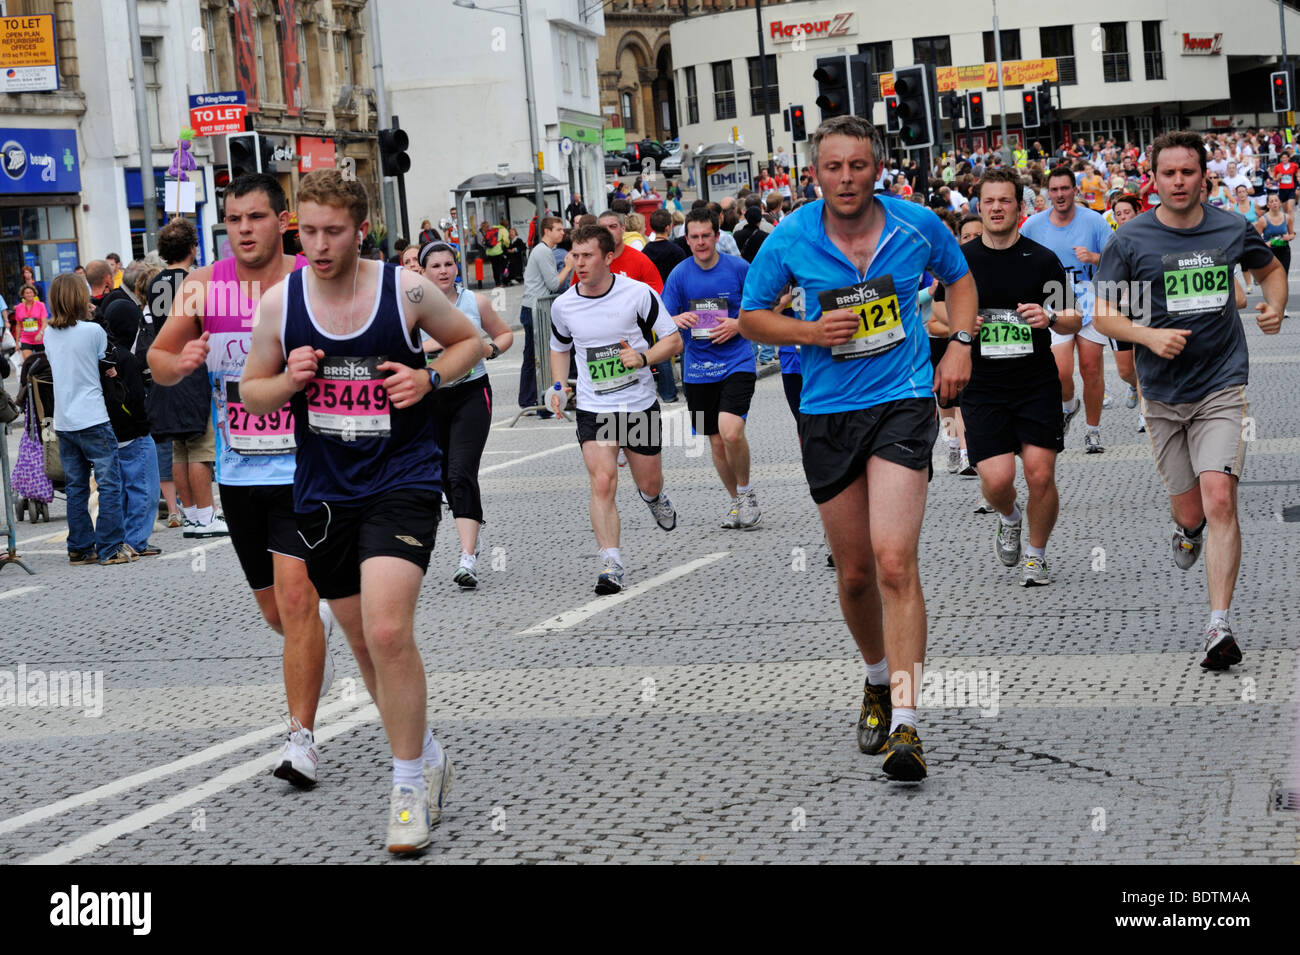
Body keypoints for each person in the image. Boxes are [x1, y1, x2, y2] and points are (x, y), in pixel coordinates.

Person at [239, 168, 482, 854]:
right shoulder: (280, 305)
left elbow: (471, 340)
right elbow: (252, 393)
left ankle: (406, 785)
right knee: (360, 638)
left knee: (386, 626)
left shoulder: (403, 290)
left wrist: (428, 375)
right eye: (307, 231)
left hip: (401, 478)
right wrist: (288, 380)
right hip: (323, 493)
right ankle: (427, 752)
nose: (318, 245)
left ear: (360, 229)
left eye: (332, 232)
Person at [739, 115, 977, 782]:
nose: (847, 178)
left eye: (859, 165)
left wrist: (959, 343)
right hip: (826, 411)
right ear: (814, 173)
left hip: (902, 400)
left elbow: (959, 280)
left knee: (896, 559)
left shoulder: (915, 224)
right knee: (855, 574)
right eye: (834, 167)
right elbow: (752, 316)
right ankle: (875, 676)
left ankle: (908, 724)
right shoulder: (789, 237)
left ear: (878, 168)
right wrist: (809, 332)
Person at [148, 177, 337, 786]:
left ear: (281, 220)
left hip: (307, 469)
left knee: (294, 595)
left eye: (256, 216)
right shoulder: (200, 286)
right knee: (276, 614)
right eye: (233, 219)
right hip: (239, 472)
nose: (244, 229)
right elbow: (157, 355)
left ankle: (301, 740)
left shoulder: (311, 278)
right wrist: (178, 365)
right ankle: (313, 632)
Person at [1093, 130, 1286, 672]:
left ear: (1205, 176)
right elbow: (1104, 315)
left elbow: (1270, 267)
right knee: (1192, 509)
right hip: (1160, 394)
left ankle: (1218, 624)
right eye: (1168, 173)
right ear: (1153, 180)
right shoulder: (1130, 239)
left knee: (1220, 496)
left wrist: (1274, 306)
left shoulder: (1230, 226)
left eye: (1188, 172)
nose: (1179, 181)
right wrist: (1149, 337)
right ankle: (1188, 530)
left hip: (1222, 385)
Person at [957, 168, 1082, 585]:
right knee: (996, 480)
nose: (996, 208)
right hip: (983, 385)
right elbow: (937, 315)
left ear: (1020, 207)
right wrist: (962, 326)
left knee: (1040, 474)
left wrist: (1049, 317)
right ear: (979, 206)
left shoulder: (1042, 258)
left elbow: (1073, 319)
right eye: (989, 201)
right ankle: (1009, 517)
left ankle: (1037, 553)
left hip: (1034, 383)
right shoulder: (962, 261)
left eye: (1005, 200)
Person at [547, 224, 682, 594]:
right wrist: (559, 385)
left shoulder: (637, 294)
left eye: (587, 255)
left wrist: (642, 357)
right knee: (603, 480)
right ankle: (610, 562)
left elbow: (673, 340)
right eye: (574, 255)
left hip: (636, 404)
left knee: (648, 481)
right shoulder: (564, 305)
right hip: (594, 407)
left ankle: (653, 498)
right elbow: (559, 347)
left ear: (608, 257)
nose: (579, 262)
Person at [420, 240, 514, 588]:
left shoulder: (476, 302)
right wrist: (432, 347)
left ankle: (467, 558)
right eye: (436, 266)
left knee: (461, 472)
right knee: (444, 477)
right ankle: (468, 523)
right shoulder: (410, 306)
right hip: (429, 399)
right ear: (424, 271)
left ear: (456, 267)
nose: (443, 271)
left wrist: (487, 348)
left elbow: (504, 334)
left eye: (448, 264)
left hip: (471, 394)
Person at [662, 208, 760, 528]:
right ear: (686, 239)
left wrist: (738, 324)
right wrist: (676, 320)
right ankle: (736, 502)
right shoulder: (679, 275)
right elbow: (662, 318)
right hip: (697, 371)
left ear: (718, 237)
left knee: (731, 431)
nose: (701, 242)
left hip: (737, 362)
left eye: (707, 236)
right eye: (695, 237)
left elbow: (761, 308)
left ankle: (745, 493)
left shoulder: (738, 268)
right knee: (716, 441)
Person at [138, 234, 227, 538]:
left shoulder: (154, 284)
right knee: (200, 446)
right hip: (193, 368)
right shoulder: (197, 281)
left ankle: (189, 515)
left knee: (179, 447)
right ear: (193, 247)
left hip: (166, 366)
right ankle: (206, 515)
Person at [42, 273, 134, 565]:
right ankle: (109, 547)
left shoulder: (48, 333)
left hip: (65, 420)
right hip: (93, 417)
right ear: (79, 298)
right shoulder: (92, 331)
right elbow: (107, 362)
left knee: (76, 487)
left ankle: (80, 547)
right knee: (109, 484)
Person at [1021, 166, 1113, 453]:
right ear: (1048, 193)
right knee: (1061, 371)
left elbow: (1116, 260)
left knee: (1090, 367)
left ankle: (1093, 431)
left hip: (1088, 295)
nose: (1060, 194)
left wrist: (1094, 257)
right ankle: (1069, 405)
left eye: (1065, 189)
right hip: (1054, 298)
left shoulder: (1095, 221)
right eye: (1055, 189)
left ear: (1075, 191)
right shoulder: (1033, 225)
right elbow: (1017, 256)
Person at [100, 264, 161, 559]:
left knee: (124, 488)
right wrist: (145, 424)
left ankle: (124, 535)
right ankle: (137, 539)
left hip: (113, 433)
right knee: (145, 488)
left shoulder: (105, 353)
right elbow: (135, 399)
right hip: (135, 433)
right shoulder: (127, 359)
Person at [596, 209, 680, 403]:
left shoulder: (640, 259)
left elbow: (657, 295)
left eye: (613, 227)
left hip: (637, 334)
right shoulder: (590, 263)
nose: (608, 232)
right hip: (601, 341)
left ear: (623, 229)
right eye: (602, 228)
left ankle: (667, 394)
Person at [518, 215, 576, 417]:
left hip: (533, 308)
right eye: (558, 229)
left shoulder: (543, 251)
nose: (563, 232)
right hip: (536, 309)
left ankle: (527, 400)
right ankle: (541, 404)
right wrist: (568, 267)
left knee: (532, 356)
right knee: (540, 356)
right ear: (547, 231)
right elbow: (553, 284)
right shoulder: (543, 251)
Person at [1255, 192, 1294, 274]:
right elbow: (1256, 239)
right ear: (1268, 205)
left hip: (1284, 251)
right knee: (1273, 277)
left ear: (1280, 203)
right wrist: (1265, 244)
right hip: (1270, 252)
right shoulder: (1263, 220)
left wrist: (1289, 237)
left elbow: (1292, 234)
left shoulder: (1287, 217)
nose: (1274, 203)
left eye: (1276, 200)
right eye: (1271, 201)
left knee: (1283, 276)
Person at [15, 283, 46, 362]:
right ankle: (31, 374)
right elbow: (18, 325)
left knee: (41, 363)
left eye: (31, 292)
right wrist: (17, 342)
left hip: (39, 338)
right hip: (25, 338)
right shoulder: (19, 307)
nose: (29, 294)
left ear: (34, 293)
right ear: (23, 295)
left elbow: (44, 323)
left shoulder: (40, 305)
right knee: (28, 361)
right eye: (27, 293)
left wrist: (40, 333)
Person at [481, 220, 507, 287]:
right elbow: (505, 240)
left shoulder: (485, 233)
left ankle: (497, 283)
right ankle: (501, 282)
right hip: (498, 251)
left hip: (491, 253)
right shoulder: (496, 231)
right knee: (500, 268)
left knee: (494, 268)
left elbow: (483, 243)